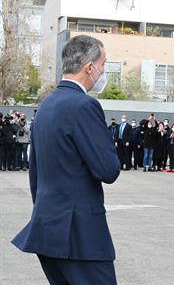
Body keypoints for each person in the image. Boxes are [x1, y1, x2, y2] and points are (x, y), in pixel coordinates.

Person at [11, 35, 120, 284]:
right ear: (89, 67)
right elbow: (108, 169)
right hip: (80, 234)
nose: (103, 72)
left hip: (47, 226)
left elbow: (35, 172)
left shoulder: (46, 105)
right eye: (103, 65)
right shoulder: (84, 106)